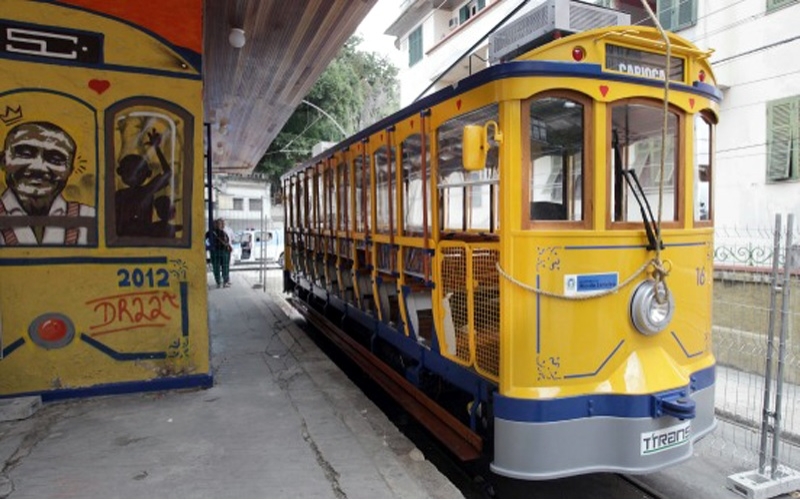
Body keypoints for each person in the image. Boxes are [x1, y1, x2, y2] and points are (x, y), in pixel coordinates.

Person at [0, 121, 95, 245]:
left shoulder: (91, 217)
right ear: (3, 161)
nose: (38, 167)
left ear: (70, 170)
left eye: (55, 159)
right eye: (25, 153)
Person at [205, 218, 232, 288]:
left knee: (219, 267)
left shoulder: (223, 232)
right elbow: (205, 241)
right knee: (222, 267)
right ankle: (221, 281)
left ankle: (221, 282)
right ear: (216, 224)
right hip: (218, 252)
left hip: (220, 252)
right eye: (221, 223)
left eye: (223, 223)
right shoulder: (211, 233)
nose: (222, 225)